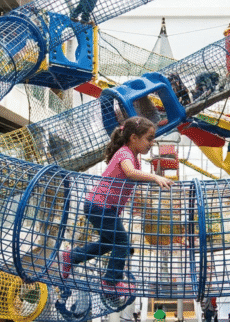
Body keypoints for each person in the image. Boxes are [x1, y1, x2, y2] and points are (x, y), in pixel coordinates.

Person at [61, 117, 173, 294]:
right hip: (99, 205)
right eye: (149, 138)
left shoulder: (134, 157)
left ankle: (71, 256)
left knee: (108, 243)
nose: (152, 143)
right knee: (121, 242)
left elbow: (130, 178)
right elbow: (129, 172)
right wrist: (155, 177)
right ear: (134, 138)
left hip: (102, 207)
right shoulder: (125, 153)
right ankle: (111, 281)